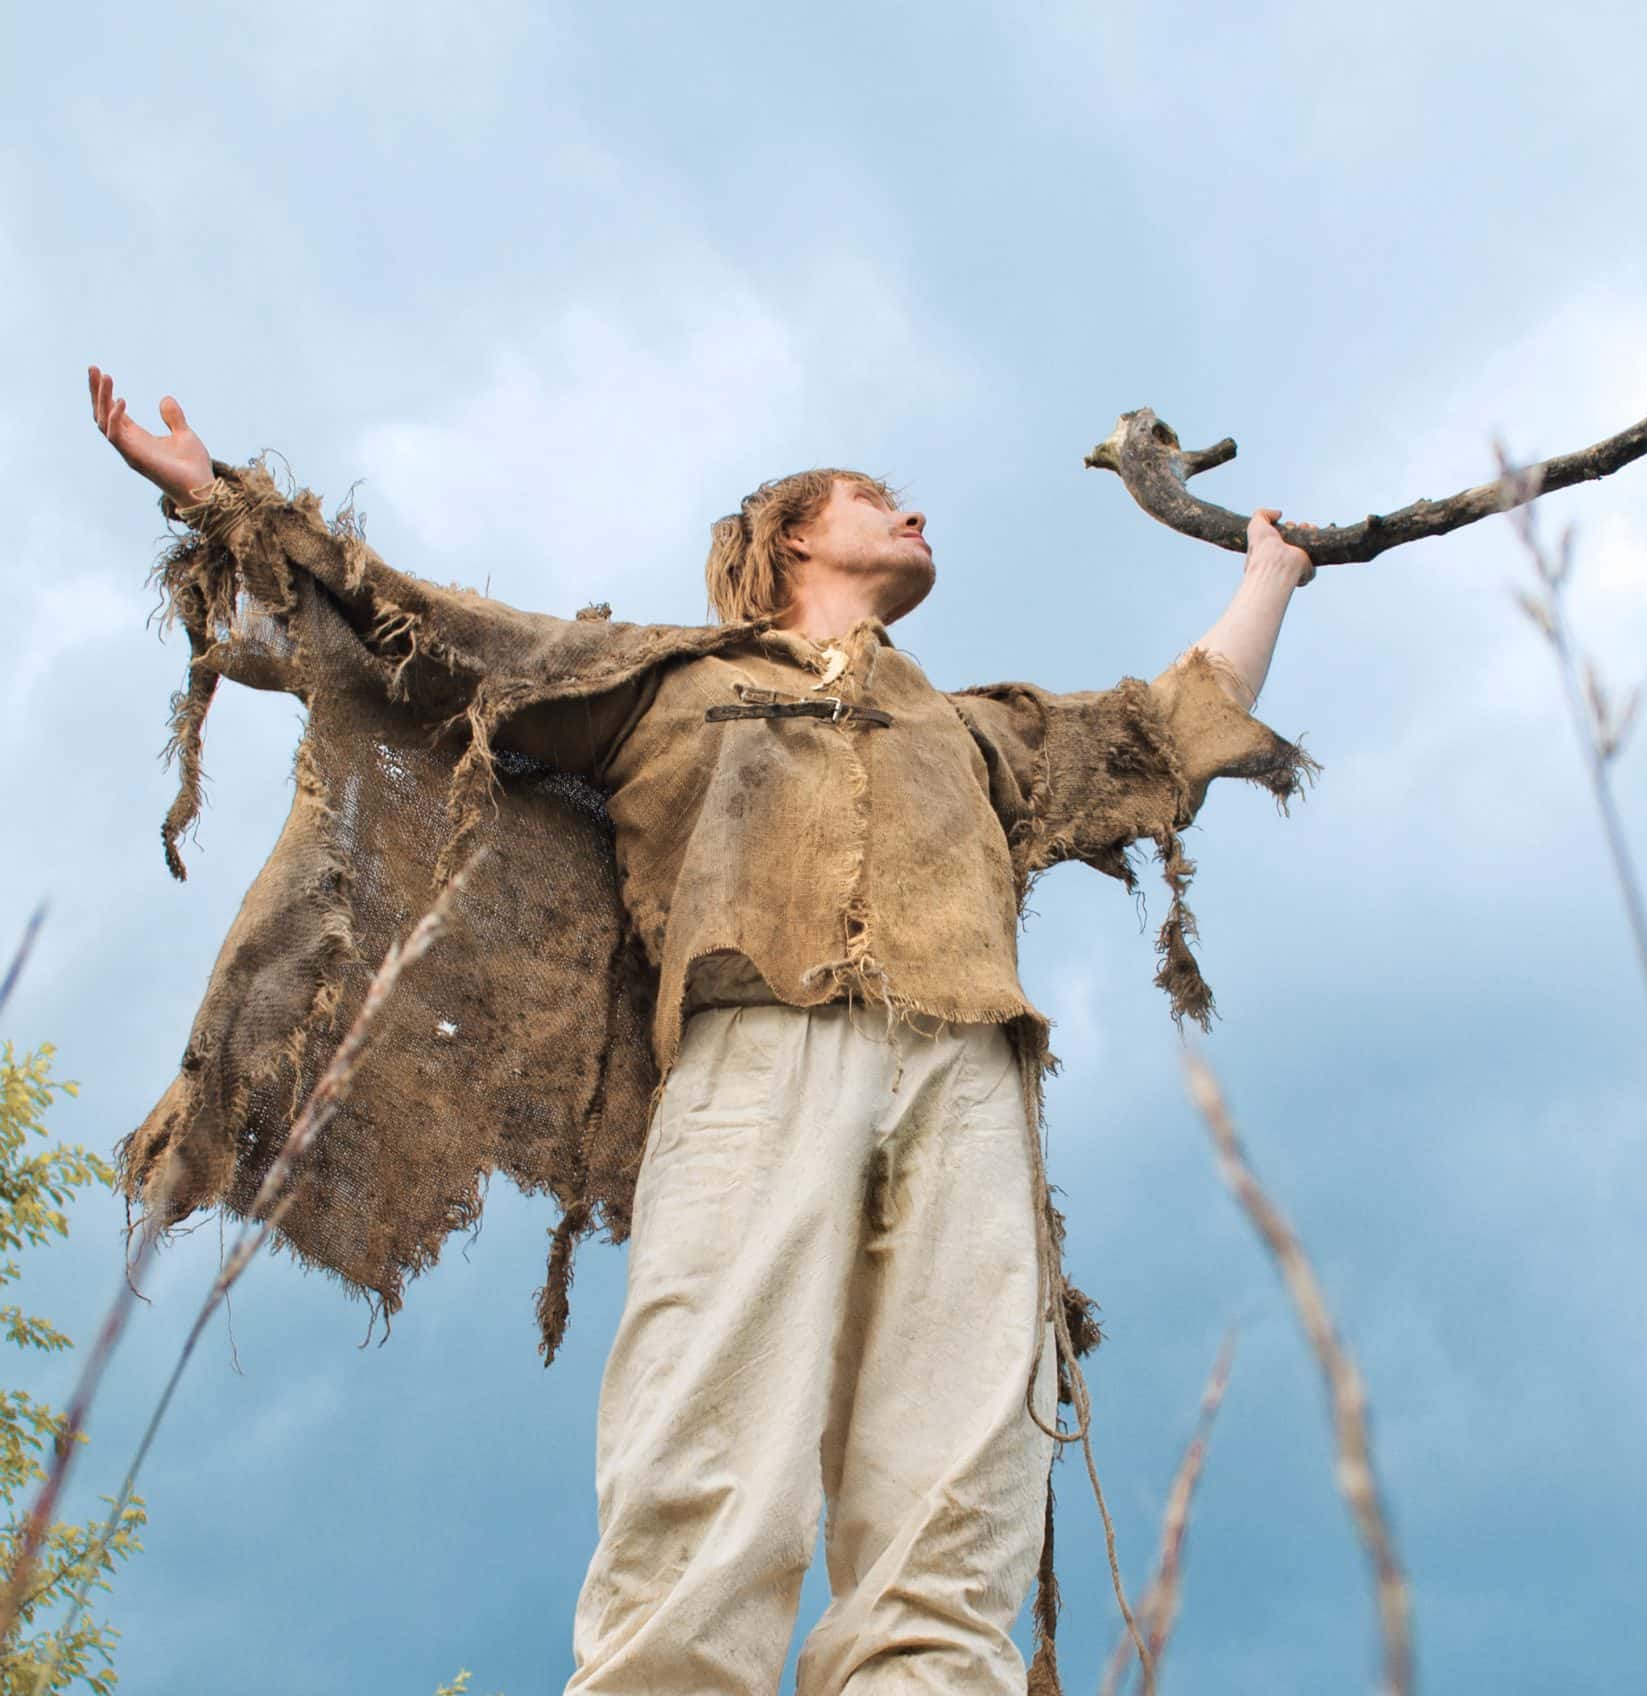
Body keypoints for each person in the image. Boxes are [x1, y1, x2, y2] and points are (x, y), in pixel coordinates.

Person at [85, 367, 1315, 1695]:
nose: (913, 516)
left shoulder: (978, 734)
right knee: (708, 1453)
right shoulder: (665, 684)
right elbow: (432, 636)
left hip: (970, 1074)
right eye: (875, 499)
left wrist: (1273, 574)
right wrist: (221, 498)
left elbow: (1163, 731)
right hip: (754, 1058)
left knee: (958, 1509)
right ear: (792, 538)